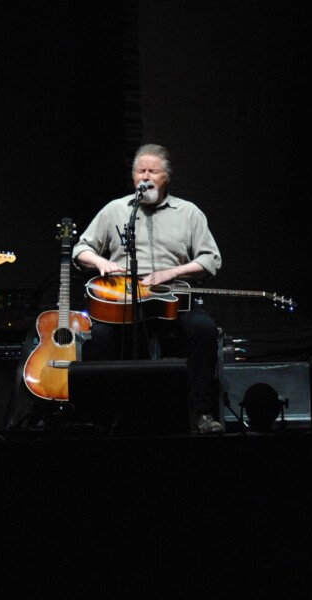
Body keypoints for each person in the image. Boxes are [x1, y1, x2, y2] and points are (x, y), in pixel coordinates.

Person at [72, 143, 225, 434]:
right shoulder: (116, 210)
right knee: (101, 334)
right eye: (140, 171)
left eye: (153, 171)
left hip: (173, 298)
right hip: (124, 299)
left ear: (166, 177)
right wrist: (101, 262)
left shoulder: (189, 212)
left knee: (203, 329)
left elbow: (210, 259)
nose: (146, 177)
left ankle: (201, 412)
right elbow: (82, 248)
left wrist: (173, 272)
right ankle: (105, 416)